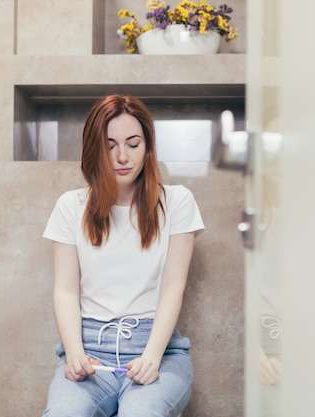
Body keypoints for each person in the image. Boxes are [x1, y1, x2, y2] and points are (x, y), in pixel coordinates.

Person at [41, 94, 204, 417]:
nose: (122, 156)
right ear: (94, 148)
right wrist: (75, 355)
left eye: (133, 144)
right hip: (89, 351)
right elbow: (65, 289)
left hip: (159, 351)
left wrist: (152, 357)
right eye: (110, 145)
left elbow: (173, 287)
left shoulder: (177, 202)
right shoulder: (70, 206)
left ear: (148, 147)